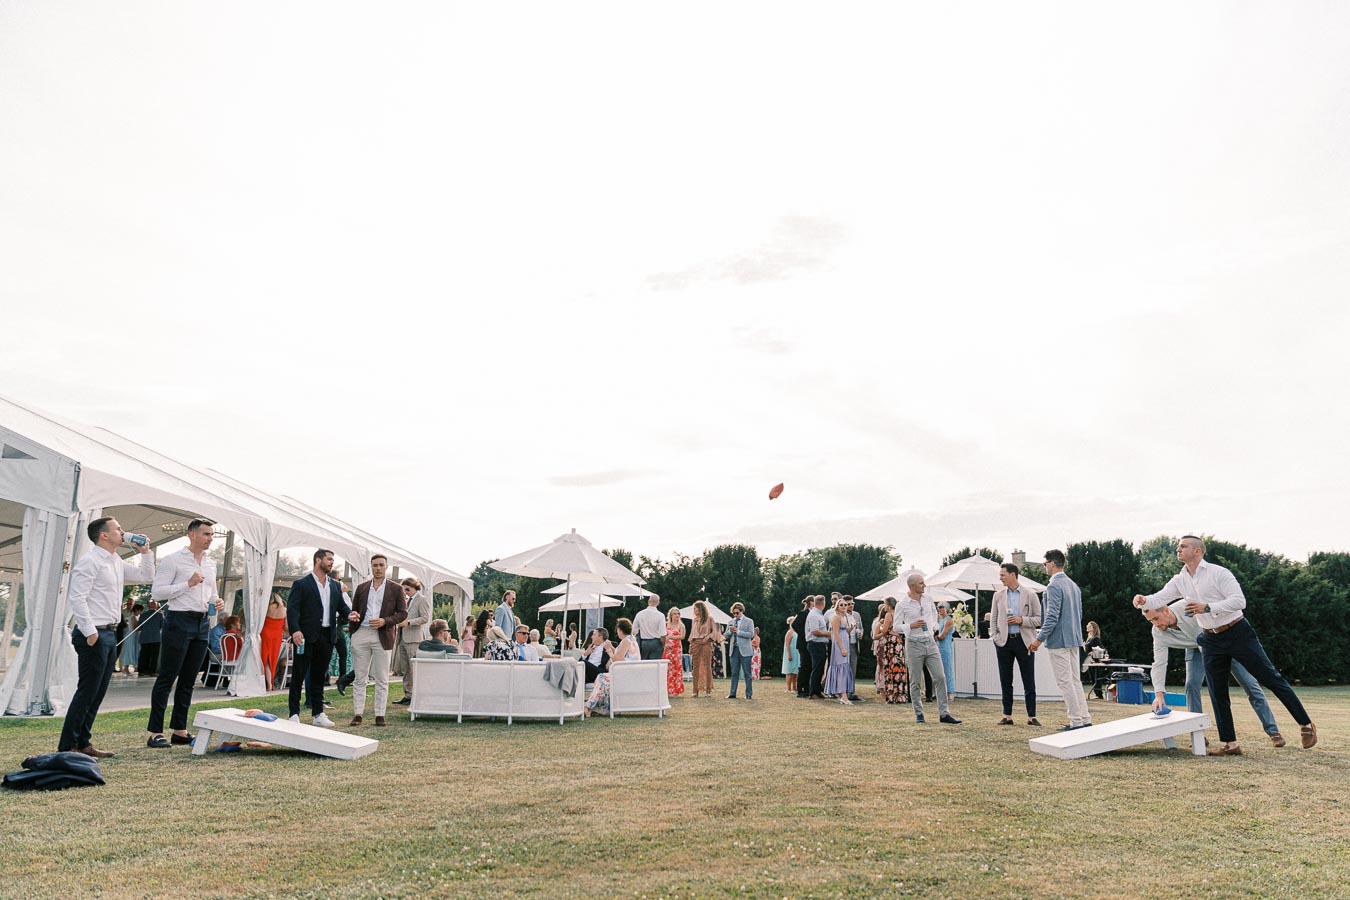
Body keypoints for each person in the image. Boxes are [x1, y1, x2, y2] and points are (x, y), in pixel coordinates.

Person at [1134, 535, 1317, 754]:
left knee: (1270, 678)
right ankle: (1231, 744)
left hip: (1237, 632)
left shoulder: (1219, 573)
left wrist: (1207, 607)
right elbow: (1159, 598)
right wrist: (1143, 600)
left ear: (1198, 551)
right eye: (1178, 547)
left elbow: (1240, 602)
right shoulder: (1180, 580)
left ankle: (1305, 724)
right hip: (1210, 639)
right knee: (1217, 691)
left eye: (1183, 546)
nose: (1178, 550)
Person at [60, 516, 156, 757]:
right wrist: (90, 632)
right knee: (87, 692)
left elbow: (147, 577)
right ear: (104, 535)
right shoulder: (90, 561)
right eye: (118, 529)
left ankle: (83, 743)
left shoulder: (115, 561)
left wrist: (145, 553)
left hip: (111, 633)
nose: (123, 532)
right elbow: (78, 598)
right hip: (94, 634)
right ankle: (68, 747)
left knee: (98, 692)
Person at [1142, 600, 1286, 747]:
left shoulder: (1188, 605)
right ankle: (1198, 735)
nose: (1155, 624)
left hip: (1222, 641)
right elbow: (1159, 663)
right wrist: (1159, 694)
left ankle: (1273, 731)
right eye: (1150, 621)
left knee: (1250, 684)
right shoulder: (1158, 633)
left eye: (1156, 618)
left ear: (1165, 610)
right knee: (1191, 685)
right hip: (1195, 648)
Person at [144, 518, 226, 749]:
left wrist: (217, 602)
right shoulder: (173, 561)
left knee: (189, 679)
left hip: (201, 623)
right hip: (178, 621)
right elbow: (157, 593)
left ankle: (179, 730)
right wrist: (187, 584)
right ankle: (155, 732)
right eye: (207, 534)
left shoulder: (211, 564)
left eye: (212, 535)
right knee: (167, 677)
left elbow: (212, 592)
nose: (211, 539)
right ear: (192, 534)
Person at [1027, 549, 1090, 730]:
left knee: (1065, 682)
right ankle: (1084, 718)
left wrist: (1038, 639)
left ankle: (1076, 721)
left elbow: (1052, 617)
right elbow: (1079, 614)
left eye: (1045, 563)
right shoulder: (1073, 585)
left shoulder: (1053, 586)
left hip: (1060, 640)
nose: (1044, 566)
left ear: (1052, 563)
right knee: (1075, 681)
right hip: (1074, 639)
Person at [286, 549, 350, 727]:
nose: (332, 562)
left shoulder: (335, 586)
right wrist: (295, 630)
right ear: (318, 560)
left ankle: (318, 714)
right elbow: (292, 610)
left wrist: (351, 614)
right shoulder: (301, 584)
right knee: (298, 676)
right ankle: (293, 714)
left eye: (333, 559)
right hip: (305, 636)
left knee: (319, 676)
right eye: (329, 559)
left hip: (327, 636)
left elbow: (342, 607)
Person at [346, 554, 408, 727]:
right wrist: (354, 617)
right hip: (361, 633)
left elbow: (403, 613)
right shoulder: (362, 588)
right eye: (375, 565)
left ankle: (380, 714)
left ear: (386, 567)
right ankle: (358, 713)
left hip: (383, 634)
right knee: (360, 677)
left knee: (382, 678)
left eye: (381, 565)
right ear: (371, 567)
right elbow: (355, 610)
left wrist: (385, 621)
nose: (378, 568)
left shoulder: (396, 588)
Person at [897, 574, 959, 724]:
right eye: (921, 583)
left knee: (940, 677)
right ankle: (919, 714)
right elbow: (895, 626)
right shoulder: (902, 604)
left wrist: (934, 628)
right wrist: (910, 626)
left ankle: (944, 714)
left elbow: (935, 616)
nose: (924, 585)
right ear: (912, 586)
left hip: (930, 643)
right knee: (915, 681)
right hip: (913, 644)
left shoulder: (928, 599)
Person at [990, 563, 1041, 726]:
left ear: (1013, 575)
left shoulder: (1030, 595)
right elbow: (993, 619)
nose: (1000, 578)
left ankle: (1032, 717)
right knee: (1005, 679)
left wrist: (1021, 621)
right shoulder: (998, 596)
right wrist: (996, 638)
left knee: (1029, 679)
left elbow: (1039, 619)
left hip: (1024, 642)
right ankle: (1007, 716)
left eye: (1003, 574)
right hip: (1004, 642)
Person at [584, 618, 638, 717]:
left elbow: (617, 660)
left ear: (620, 630)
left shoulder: (626, 641)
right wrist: (612, 649)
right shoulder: (631, 639)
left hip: (625, 675)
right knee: (602, 678)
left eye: (617, 630)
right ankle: (597, 708)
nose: (617, 633)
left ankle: (589, 706)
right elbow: (621, 654)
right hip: (629, 673)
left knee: (601, 677)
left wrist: (609, 651)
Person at [393, 577, 430, 706]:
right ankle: (408, 694)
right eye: (404, 589)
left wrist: (409, 622)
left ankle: (416, 695)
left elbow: (425, 618)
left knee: (413, 669)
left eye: (407, 589)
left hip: (414, 639)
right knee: (405, 669)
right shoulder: (405, 601)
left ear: (414, 586)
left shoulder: (422, 600)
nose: (405, 591)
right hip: (402, 638)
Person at [878, 597, 909, 704]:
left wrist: (881, 626)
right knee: (899, 667)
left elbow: (885, 630)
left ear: (889, 605)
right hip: (899, 642)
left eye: (885, 604)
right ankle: (901, 695)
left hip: (891, 643)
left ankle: (892, 696)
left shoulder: (888, 615)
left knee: (891, 667)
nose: (884, 607)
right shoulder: (900, 614)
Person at [824, 599, 856, 705]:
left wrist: (851, 628)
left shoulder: (845, 617)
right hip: (839, 645)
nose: (843, 606)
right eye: (841, 605)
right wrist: (842, 648)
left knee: (845, 668)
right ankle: (843, 696)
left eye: (845, 605)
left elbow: (845, 632)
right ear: (837, 606)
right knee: (841, 667)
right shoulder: (836, 617)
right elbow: (836, 634)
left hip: (846, 642)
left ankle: (843, 694)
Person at [725, 602, 756, 700]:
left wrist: (738, 632)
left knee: (747, 673)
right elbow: (726, 635)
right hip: (733, 650)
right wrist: (730, 631)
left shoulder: (749, 621)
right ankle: (732, 693)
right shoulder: (731, 621)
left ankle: (748, 694)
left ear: (741, 611)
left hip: (745, 651)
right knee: (734, 673)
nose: (735, 615)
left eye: (737, 613)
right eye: (733, 613)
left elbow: (751, 634)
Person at [688, 602, 718, 698]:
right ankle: (695, 690)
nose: (694, 610)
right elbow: (692, 633)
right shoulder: (694, 620)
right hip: (695, 643)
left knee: (707, 666)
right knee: (695, 667)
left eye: (695, 608)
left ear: (700, 609)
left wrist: (708, 638)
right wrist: (691, 644)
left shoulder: (710, 619)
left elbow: (715, 631)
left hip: (706, 643)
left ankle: (708, 690)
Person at [805, 595, 831, 699]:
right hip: (815, 644)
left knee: (820, 668)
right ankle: (813, 692)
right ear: (823, 603)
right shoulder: (814, 615)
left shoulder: (818, 614)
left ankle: (817, 690)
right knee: (816, 668)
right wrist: (827, 633)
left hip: (820, 644)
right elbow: (814, 631)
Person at [260, 592, 287, 691]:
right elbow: (287, 627)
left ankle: (267, 684)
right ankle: (271, 683)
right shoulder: (284, 610)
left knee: (265, 659)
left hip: (265, 633)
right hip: (277, 636)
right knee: (273, 659)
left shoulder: (267, 608)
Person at [633, 594, 667, 660]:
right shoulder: (661, 615)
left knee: (644, 665)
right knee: (655, 665)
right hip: (656, 642)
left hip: (643, 643)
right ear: (658, 603)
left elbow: (634, 630)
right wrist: (663, 645)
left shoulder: (640, 614)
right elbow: (663, 634)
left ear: (649, 602)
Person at [1082, 621, 1108, 699]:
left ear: (1093, 628)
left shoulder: (1095, 639)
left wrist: (1093, 652)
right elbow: (1086, 650)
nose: (1087, 626)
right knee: (1092, 677)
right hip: (1089, 661)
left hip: (1095, 661)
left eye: (1089, 626)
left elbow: (1102, 649)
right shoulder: (1089, 638)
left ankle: (1099, 694)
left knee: (1095, 677)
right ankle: (1097, 693)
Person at [935, 601, 956, 697]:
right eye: (938, 607)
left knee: (947, 669)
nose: (939, 609)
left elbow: (943, 635)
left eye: (941, 607)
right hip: (940, 647)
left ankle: (950, 692)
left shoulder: (948, 620)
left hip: (945, 647)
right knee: (940, 670)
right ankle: (942, 692)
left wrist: (935, 637)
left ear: (946, 608)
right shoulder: (941, 620)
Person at [793, 597, 813, 698]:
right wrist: (804, 634)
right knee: (804, 665)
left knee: (809, 665)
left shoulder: (813, 614)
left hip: (810, 643)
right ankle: (800, 689)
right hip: (803, 643)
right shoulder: (803, 613)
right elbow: (794, 624)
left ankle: (808, 688)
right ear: (810, 603)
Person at [137, 599, 163, 677]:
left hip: (145, 637)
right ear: (156, 606)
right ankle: (153, 671)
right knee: (154, 656)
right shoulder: (160, 615)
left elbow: (139, 626)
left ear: (148, 606)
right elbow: (162, 625)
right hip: (155, 637)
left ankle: (142, 671)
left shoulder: (143, 615)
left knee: (144, 655)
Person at [664, 607, 685, 697]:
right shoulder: (666, 624)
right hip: (667, 649)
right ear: (671, 615)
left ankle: (676, 690)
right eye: (675, 614)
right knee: (668, 669)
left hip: (676, 650)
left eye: (678, 614)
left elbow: (682, 636)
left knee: (676, 668)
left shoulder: (681, 625)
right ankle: (668, 689)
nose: (677, 615)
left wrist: (671, 637)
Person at [120, 603, 143, 675]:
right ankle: (126, 667)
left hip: (134, 636)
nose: (141, 612)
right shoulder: (133, 617)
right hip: (131, 636)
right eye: (140, 610)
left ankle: (132, 666)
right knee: (129, 650)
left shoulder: (135, 617)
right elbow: (134, 628)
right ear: (136, 610)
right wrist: (143, 628)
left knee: (133, 650)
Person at [782, 616, 800, 693]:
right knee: (789, 671)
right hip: (790, 653)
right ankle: (788, 688)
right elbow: (787, 644)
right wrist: (789, 654)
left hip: (796, 653)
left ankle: (794, 688)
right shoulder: (790, 632)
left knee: (795, 671)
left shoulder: (797, 632)